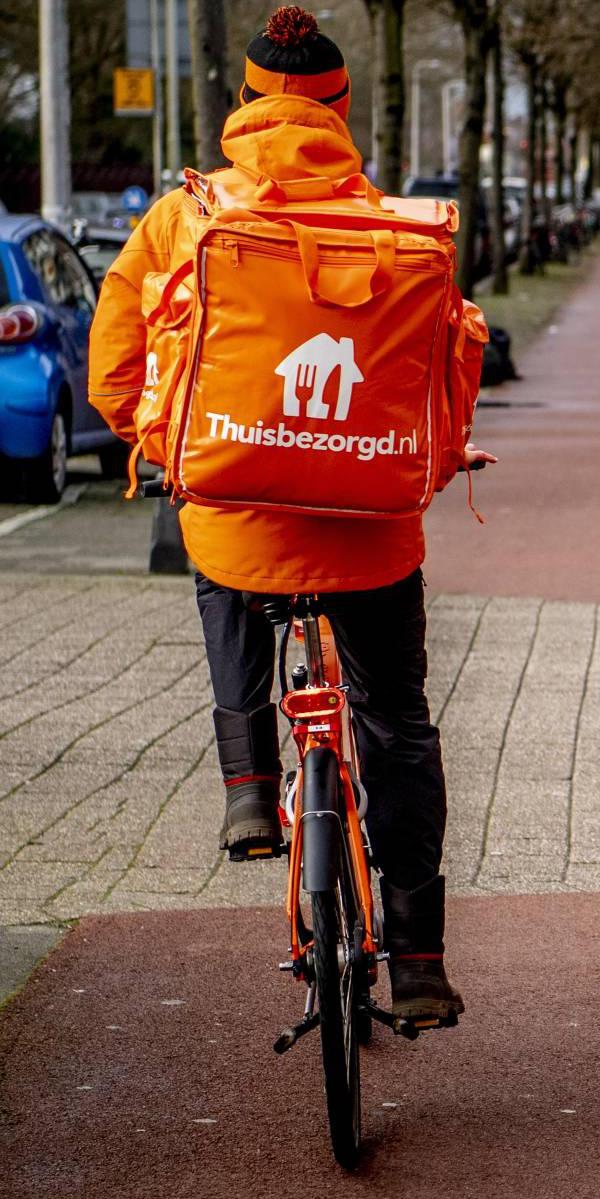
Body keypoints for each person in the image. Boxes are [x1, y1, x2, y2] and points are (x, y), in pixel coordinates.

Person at [86, 6, 491, 1025]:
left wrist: (160, 439)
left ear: (246, 105)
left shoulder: (188, 216)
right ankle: (419, 953)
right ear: (341, 110)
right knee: (396, 721)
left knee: (218, 552)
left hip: (234, 512)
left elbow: (113, 360)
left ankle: (250, 789)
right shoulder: (402, 227)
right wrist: (433, 461)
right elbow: (453, 360)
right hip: (371, 532)